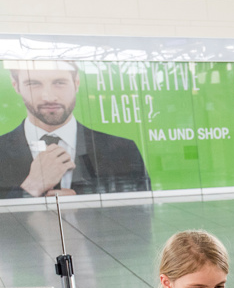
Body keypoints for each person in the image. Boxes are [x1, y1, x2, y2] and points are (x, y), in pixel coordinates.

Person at [0, 61, 150, 198]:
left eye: (59, 83)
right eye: (33, 84)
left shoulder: (123, 150)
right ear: (16, 86)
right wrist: (31, 187)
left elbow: (142, 215)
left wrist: (82, 210)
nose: (49, 97)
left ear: (76, 83)